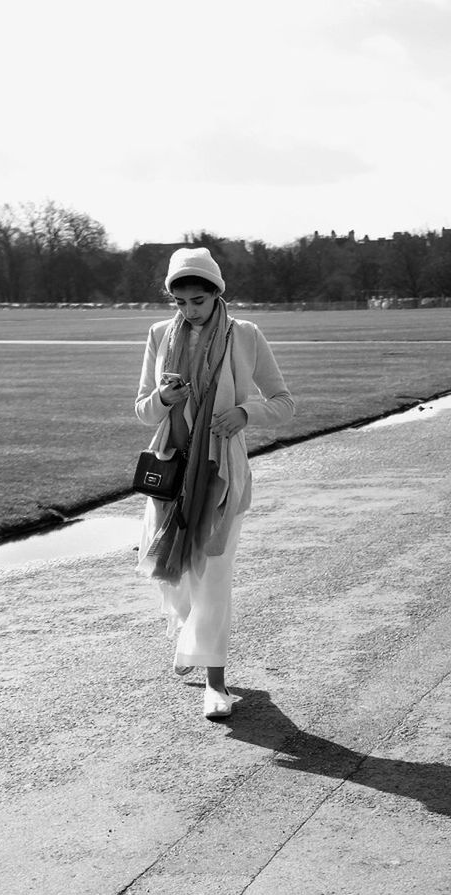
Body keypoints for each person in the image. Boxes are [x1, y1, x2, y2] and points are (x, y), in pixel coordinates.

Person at [134, 248, 294, 719]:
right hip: (171, 471)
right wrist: (164, 396)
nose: (189, 311)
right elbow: (142, 408)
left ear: (217, 293)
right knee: (174, 575)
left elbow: (284, 403)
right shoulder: (160, 334)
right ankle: (190, 634)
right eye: (180, 302)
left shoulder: (245, 335)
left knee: (213, 579)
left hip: (221, 473)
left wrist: (244, 413)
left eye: (198, 300)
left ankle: (215, 684)